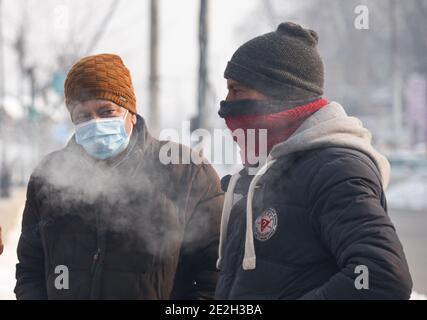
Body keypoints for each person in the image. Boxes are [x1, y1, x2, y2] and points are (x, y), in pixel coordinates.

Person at [215, 22, 412, 299]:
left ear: (280, 95)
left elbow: (381, 275)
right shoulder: (262, 172)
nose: (226, 106)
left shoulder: (336, 170)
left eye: (237, 91)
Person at [15, 53, 223, 299]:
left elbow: (214, 279)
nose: (95, 123)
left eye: (106, 111)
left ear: (130, 112)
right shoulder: (48, 178)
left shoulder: (187, 173)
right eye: (83, 116)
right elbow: (30, 270)